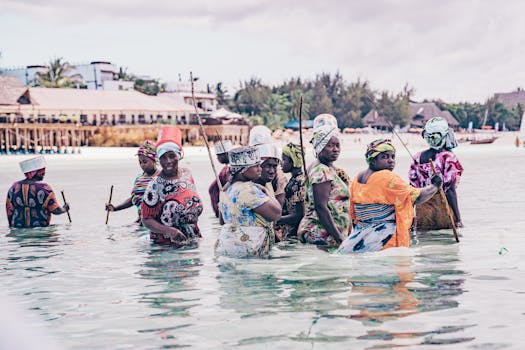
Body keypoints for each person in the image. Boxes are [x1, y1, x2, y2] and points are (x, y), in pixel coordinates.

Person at [338, 139, 442, 253]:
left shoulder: (357, 178)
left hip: (358, 239)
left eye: (393, 157)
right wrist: (435, 185)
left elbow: (353, 213)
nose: (391, 161)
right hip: (383, 239)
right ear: (372, 160)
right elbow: (417, 197)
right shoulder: (387, 177)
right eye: (385, 157)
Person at [215, 146, 282, 258]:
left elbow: (222, 221)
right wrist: (267, 192)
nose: (259, 169)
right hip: (248, 249)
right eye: (255, 166)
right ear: (243, 170)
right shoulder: (249, 190)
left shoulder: (226, 189)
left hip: (227, 246)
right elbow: (276, 214)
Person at [141, 129, 203, 246]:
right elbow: (146, 219)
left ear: (179, 156)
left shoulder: (187, 174)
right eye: (163, 157)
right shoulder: (155, 185)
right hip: (167, 245)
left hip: (193, 239)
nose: (168, 161)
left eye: (171, 156)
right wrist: (170, 231)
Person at [297, 125, 350, 247]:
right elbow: (321, 207)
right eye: (330, 145)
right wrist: (340, 239)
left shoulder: (327, 169)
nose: (335, 149)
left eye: (337, 145)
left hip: (326, 234)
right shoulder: (321, 171)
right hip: (322, 234)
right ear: (320, 147)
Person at [409, 117, 464, 227]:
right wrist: (458, 219)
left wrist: (409, 219)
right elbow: (450, 191)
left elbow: (412, 191)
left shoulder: (417, 157)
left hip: (423, 214)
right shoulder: (448, 157)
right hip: (443, 213)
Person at [6, 156, 70, 228]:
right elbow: (55, 210)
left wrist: (10, 227)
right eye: (42, 172)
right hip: (40, 231)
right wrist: (65, 209)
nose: (44, 173)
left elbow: (9, 210)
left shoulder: (14, 187)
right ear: (36, 173)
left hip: (18, 230)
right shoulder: (44, 188)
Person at [105, 140, 159, 222]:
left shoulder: (160, 177)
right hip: (141, 221)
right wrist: (115, 208)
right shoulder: (139, 179)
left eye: (145, 162)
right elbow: (133, 199)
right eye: (140, 162)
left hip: (156, 223)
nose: (142, 165)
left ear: (154, 159)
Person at [249, 125, 287, 206]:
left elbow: (279, 208)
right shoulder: (246, 176)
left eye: (274, 166)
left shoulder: (278, 176)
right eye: (267, 166)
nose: (271, 171)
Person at [275, 143, 305, 241]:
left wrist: (276, 220)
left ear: (293, 161)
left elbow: (299, 215)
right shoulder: (299, 179)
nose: (281, 163)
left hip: (294, 233)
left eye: (284, 160)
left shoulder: (297, 183)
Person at [208, 140, 232, 218]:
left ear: (224, 155)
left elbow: (229, 185)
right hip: (221, 210)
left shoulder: (228, 170)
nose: (217, 158)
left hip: (225, 209)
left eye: (218, 156)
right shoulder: (226, 169)